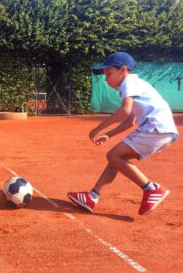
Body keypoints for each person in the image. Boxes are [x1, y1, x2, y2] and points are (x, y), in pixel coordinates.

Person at [67, 52, 178, 215]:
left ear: (123, 70)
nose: (106, 79)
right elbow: (129, 121)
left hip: (155, 128)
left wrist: (98, 129)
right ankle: (92, 196)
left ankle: (151, 189)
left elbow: (125, 111)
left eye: (109, 73)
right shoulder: (135, 85)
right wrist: (109, 135)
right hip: (161, 130)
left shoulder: (129, 82)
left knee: (113, 156)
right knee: (118, 158)